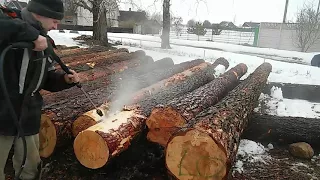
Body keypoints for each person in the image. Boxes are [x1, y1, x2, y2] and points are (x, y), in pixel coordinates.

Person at [0, 0, 80, 179]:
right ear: (40, 13)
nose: (56, 25)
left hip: (29, 114)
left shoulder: (46, 42)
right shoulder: (9, 19)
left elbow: (45, 78)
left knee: (30, 167)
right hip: (2, 111)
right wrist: (32, 36)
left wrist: (63, 79)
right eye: (54, 20)